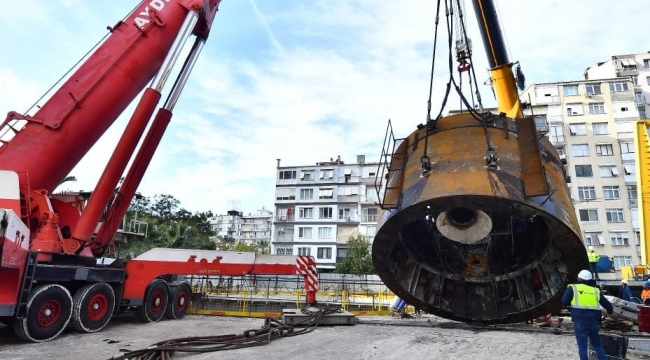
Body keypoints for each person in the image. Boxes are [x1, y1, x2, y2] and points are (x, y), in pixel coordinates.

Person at [562, 269, 614, 360]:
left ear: (580, 279)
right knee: (597, 345)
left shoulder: (573, 288)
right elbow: (608, 306)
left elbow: (564, 301)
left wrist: (570, 308)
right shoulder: (596, 290)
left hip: (580, 321)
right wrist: (609, 312)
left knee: (582, 347)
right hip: (594, 322)